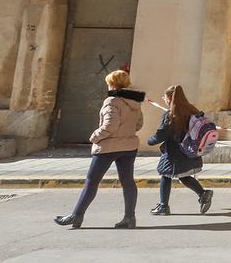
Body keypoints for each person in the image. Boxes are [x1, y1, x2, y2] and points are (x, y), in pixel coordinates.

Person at [54, 69, 144, 229]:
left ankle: (77, 215)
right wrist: (127, 133)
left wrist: (94, 137)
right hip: (129, 146)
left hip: (108, 146)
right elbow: (139, 124)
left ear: (112, 84)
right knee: (128, 182)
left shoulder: (112, 102)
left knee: (92, 181)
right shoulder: (135, 102)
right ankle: (130, 217)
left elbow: (110, 125)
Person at [147, 84, 214, 215]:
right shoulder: (193, 110)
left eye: (165, 97)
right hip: (191, 151)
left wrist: (150, 141)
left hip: (174, 154)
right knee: (184, 175)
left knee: (165, 175)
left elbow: (161, 134)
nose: (164, 100)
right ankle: (203, 193)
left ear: (169, 98)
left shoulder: (170, 115)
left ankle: (163, 206)